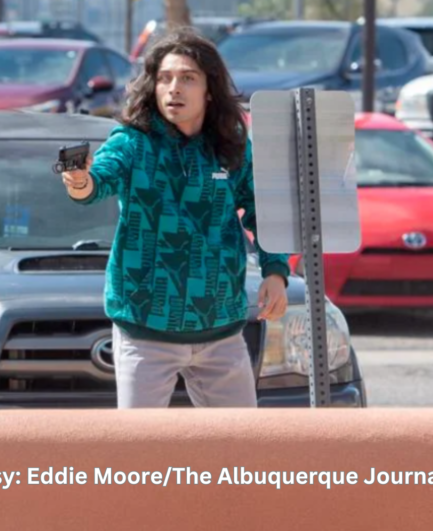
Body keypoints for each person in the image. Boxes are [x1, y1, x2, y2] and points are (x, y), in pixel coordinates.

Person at [61, 28, 290, 409]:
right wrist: (79, 180)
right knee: (140, 452)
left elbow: (261, 210)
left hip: (221, 328)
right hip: (145, 328)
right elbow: (96, 184)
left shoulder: (230, 144)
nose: (174, 88)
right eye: (165, 79)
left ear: (209, 89)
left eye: (187, 78)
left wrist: (276, 271)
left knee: (242, 448)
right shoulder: (132, 142)